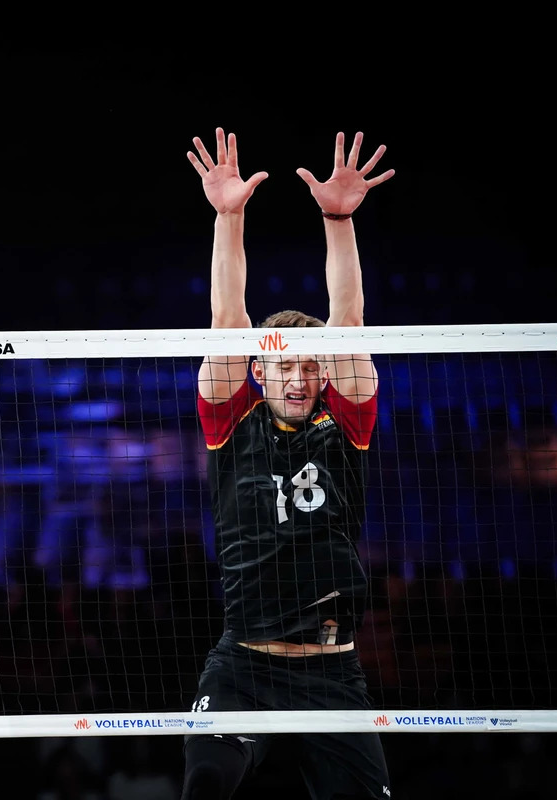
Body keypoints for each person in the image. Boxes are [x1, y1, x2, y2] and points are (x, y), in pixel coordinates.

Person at [181, 128, 395, 800]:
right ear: (258, 370)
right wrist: (229, 216)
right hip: (244, 664)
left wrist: (338, 220)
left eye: (310, 365)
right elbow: (226, 315)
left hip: (332, 672)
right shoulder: (230, 418)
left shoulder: (347, 420)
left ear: (323, 372)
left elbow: (351, 318)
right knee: (207, 785)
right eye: (283, 366)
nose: (298, 379)